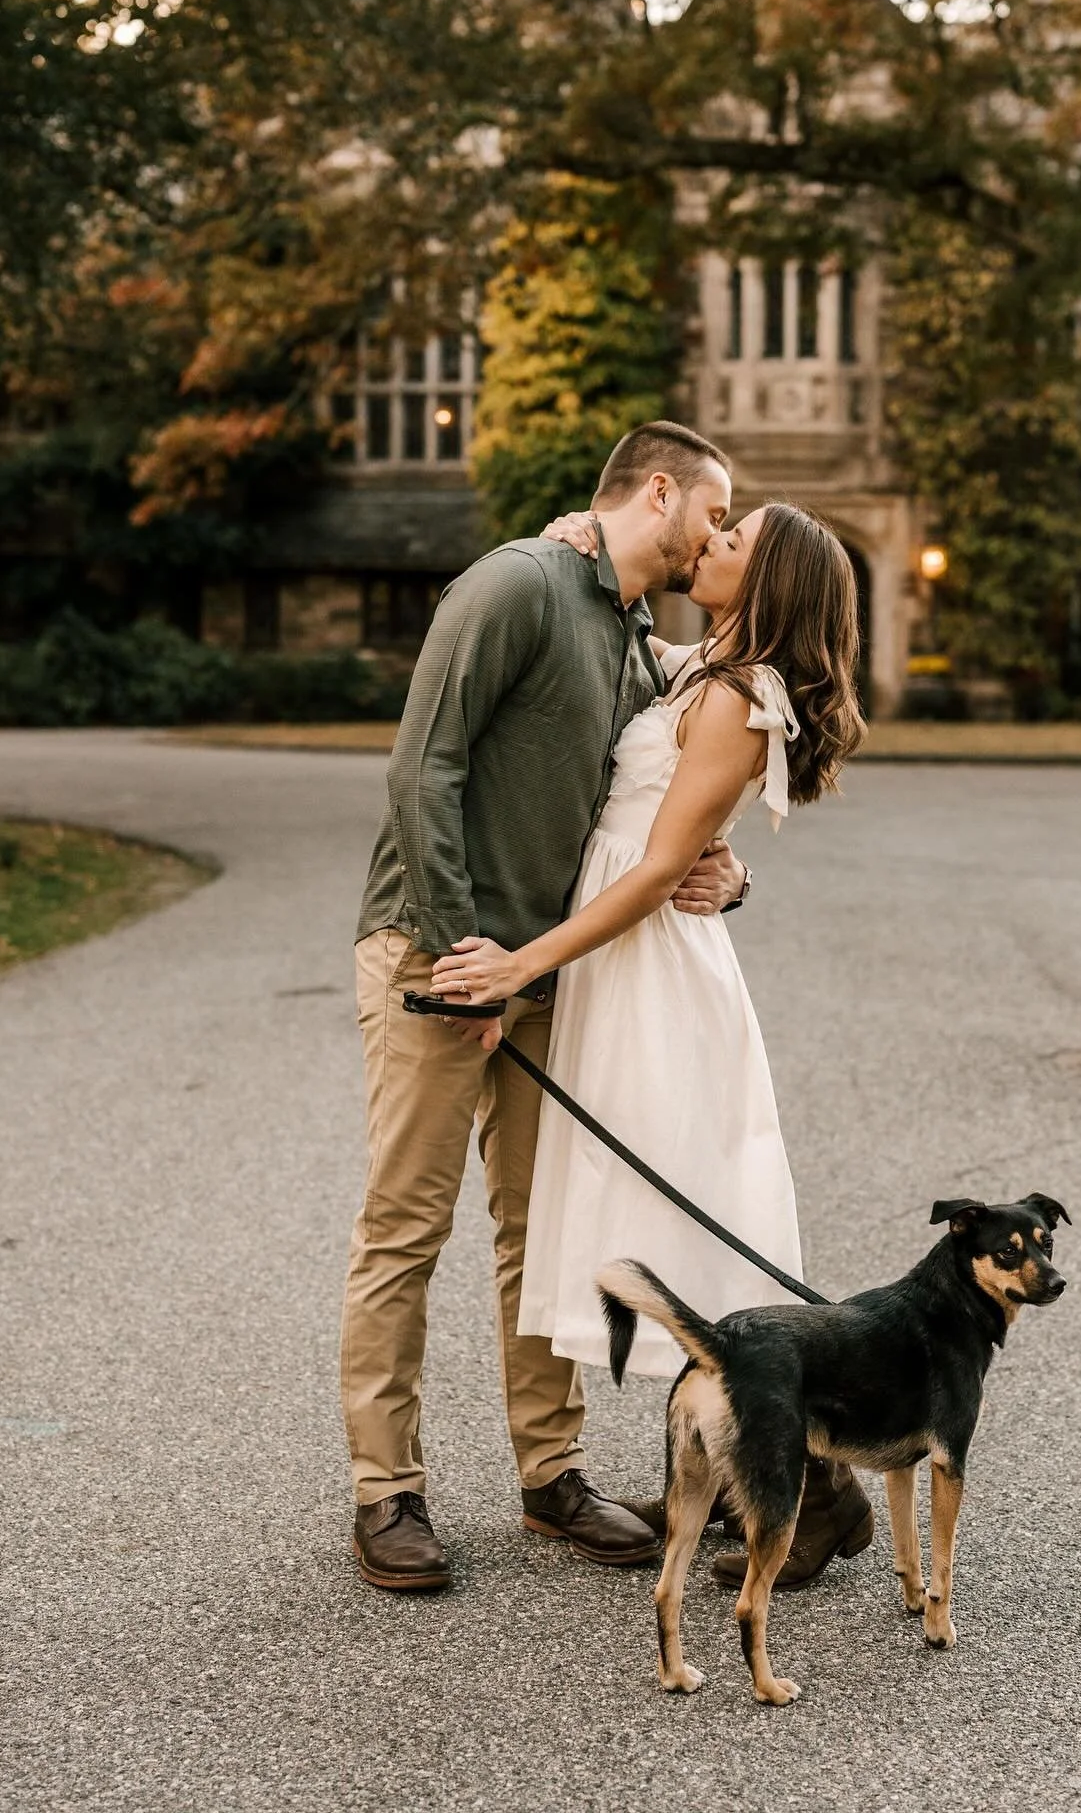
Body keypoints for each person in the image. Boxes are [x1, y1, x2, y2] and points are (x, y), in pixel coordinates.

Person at [429, 501, 874, 1589]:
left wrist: (524, 964)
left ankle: (818, 1491)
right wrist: (587, 538)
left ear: (764, 585)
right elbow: (628, 631)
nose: (709, 542)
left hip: (654, 977)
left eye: (733, 541)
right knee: (662, 1219)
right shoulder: (699, 666)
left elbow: (653, 869)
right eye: (712, 525)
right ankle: (760, 1473)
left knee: (689, 1224)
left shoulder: (732, 698)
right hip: (627, 967)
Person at [341, 419, 749, 1592]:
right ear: (659, 492)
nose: (716, 537)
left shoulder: (629, 629)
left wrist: (729, 871)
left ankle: (550, 1475)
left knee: (541, 1230)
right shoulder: (514, 585)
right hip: (435, 956)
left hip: (543, 976)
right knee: (404, 1229)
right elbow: (425, 768)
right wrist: (452, 954)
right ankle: (387, 1494)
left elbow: (670, 790)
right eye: (713, 513)